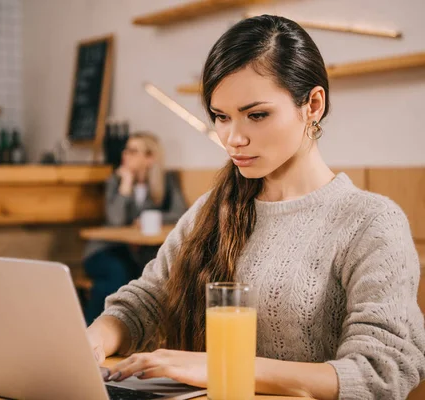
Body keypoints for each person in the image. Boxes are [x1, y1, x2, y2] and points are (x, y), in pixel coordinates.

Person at [86, 15, 425, 400]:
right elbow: (146, 300)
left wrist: (224, 368)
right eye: (221, 117)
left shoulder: (371, 222)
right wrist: (92, 340)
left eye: (257, 115)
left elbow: (383, 372)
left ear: (313, 104)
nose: (234, 138)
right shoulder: (210, 210)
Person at [83, 132, 187, 325]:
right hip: (104, 250)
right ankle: (95, 330)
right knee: (117, 272)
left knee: (149, 273)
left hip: (136, 251)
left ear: (150, 158)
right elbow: (115, 221)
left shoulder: (166, 181)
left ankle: (128, 332)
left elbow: (181, 212)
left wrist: (151, 218)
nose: (126, 154)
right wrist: (126, 184)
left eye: (133, 151)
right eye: (126, 149)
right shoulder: (115, 180)